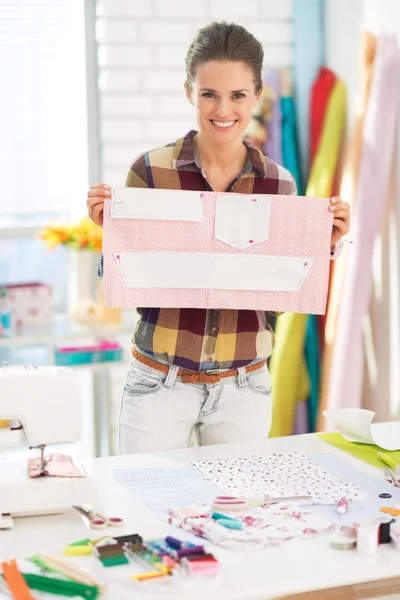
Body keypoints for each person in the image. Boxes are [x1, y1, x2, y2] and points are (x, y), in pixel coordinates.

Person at [87, 22, 350, 455]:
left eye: (238, 95)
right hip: (158, 382)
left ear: (258, 96)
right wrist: (112, 237)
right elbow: (133, 287)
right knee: (147, 509)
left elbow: (280, 298)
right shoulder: (150, 172)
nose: (223, 109)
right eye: (209, 93)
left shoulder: (279, 186)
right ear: (189, 92)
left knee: (238, 513)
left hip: (243, 389)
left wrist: (319, 248)